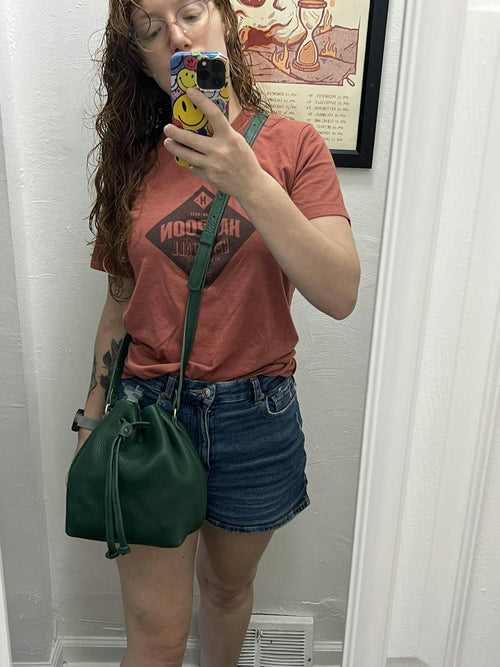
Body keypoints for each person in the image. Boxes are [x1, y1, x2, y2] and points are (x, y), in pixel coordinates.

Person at [68, 0, 360, 664]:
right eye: (150, 29)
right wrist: (91, 420)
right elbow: (117, 309)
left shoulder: (295, 146)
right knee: (156, 637)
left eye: (191, 12)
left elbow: (340, 291)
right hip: (147, 416)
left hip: (255, 416)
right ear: (141, 60)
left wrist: (248, 180)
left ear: (224, 20)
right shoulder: (133, 159)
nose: (176, 33)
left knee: (227, 593)